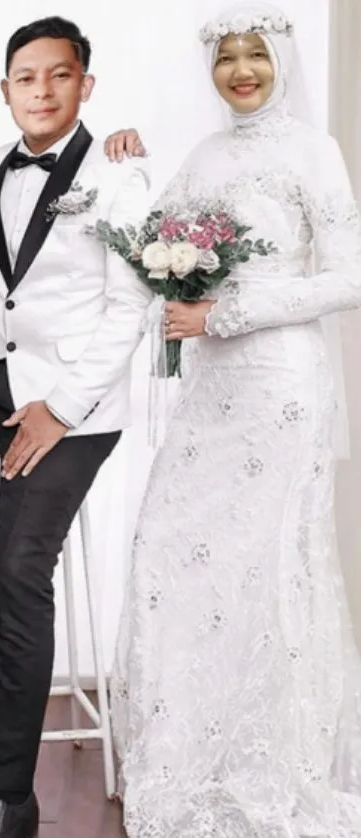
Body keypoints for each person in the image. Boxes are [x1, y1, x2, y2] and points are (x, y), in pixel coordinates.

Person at [105, 3, 361, 837]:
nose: (241, 69)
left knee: (265, 567)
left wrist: (226, 312)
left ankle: (271, 765)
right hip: (209, 393)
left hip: (280, 387)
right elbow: (151, 251)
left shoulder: (311, 151)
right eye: (226, 56)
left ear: (281, 60)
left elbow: (348, 276)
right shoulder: (207, 153)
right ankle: (192, 755)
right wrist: (128, 171)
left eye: (256, 53)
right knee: (174, 554)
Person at [0, 15, 151, 838]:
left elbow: (131, 305)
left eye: (58, 75)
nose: (41, 90)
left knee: (22, 575)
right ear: (5, 90)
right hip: (0, 375)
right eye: (25, 77)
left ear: (85, 85)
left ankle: (10, 796)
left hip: (80, 404)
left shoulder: (118, 177)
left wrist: (60, 406)